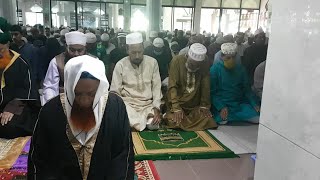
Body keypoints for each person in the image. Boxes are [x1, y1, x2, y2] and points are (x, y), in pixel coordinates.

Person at [28, 55, 134, 179]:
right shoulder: (51, 110)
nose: (84, 101)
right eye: (77, 94)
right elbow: (40, 160)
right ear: (69, 87)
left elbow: (122, 156)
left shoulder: (115, 107)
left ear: (100, 88)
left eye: (91, 94)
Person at [110, 32, 162, 131]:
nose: (137, 56)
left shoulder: (152, 62)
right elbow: (114, 91)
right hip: (128, 105)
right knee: (125, 116)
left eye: (140, 52)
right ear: (127, 50)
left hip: (147, 105)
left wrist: (156, 108)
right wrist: (118, 109)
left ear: (143, 49)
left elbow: (156, 88)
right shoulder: (120, 64)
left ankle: (135, 124)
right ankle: (134, 122)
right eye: (134, 52)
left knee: (153, 125)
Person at [0, 17, 39, 138]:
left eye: (0, 50)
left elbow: (27, 90)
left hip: (16, 105)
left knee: (8, 126)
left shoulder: (21, 62)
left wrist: (11, 108)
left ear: (7, 44)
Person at [164, 43, 217, 131]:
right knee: (174, 121)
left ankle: (186, 123)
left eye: (197, 65)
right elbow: (172, 86)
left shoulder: (205, 61)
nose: (194, 67)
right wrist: (176, 108)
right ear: (187, 56)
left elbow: (205, 84)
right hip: (177, 103)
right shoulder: (177, 61)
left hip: (194, 105)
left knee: (208, 120)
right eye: (192, 64)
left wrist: (204, 105)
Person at [210, 43, 260, 125]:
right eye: (228, 58)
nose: (231, 60)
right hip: (222, 104)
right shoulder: (214, 70)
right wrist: (221, 107)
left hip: (239, 104)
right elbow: (213, 92)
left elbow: (247, 89)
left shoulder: (241, 69)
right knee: (223, 119)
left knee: (257, 118)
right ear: (222, 57)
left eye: (233, 57)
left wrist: (255, 104)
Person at [42, 31, 87, 105]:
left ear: (85, 48)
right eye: (72, 50)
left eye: (80, 50)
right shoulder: (57, 61)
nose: (76, 54)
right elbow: (50, 87)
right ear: (66, 46)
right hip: (64, 103)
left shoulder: (94, 61)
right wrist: (51, 105)